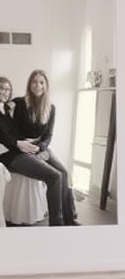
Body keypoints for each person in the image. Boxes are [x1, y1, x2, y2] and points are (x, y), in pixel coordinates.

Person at [5, 68, 78, 227]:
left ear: (46, 86)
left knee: (64, 173)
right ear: (29, 84)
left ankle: (70, 217)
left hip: (40, 148)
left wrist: (41, 149)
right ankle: (56, 223)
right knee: (55, 176)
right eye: (34, 82)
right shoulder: (18, 103)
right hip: (22, 148)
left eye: (41, 82)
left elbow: (48, 136)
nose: (37, 85)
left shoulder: (51, 108)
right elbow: (10, 128)